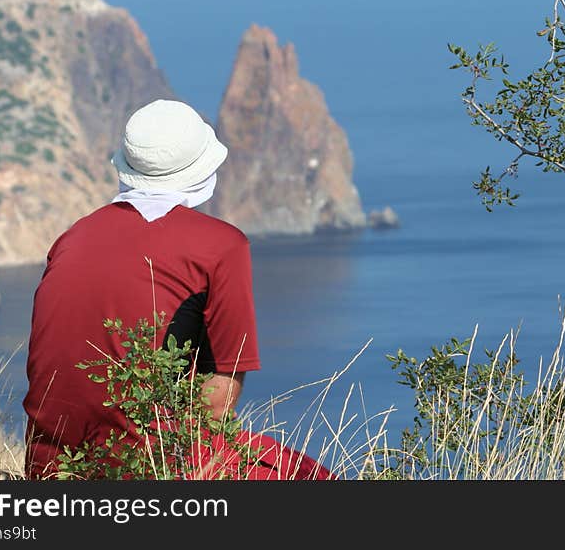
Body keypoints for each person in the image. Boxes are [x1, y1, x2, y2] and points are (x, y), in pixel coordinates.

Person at [23, 99, 333, 480]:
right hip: (150, 468)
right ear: (202, 169)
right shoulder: (221, 246)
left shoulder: (72, 238)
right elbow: (219, 402)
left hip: (50, 467)